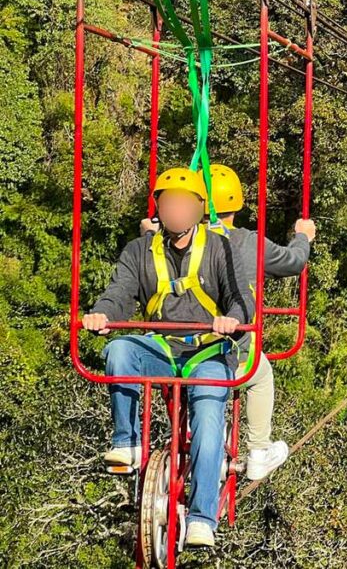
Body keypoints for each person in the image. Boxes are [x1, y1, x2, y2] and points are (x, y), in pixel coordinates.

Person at [83, 168, 251, 549]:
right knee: (120, 350)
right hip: (161, 346)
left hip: (207, 349)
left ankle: (202, 517)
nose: (174, 210)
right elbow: (119, 291)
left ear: (198, 209)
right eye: (168, 203)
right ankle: (128, 442)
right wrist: (103, 313)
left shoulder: (221, 248)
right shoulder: (139, 250)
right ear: (158, 207)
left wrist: (234, 320)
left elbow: (243, 299)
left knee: (208, 421)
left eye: (182, 204)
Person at [141, 163, 315, 481]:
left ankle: (185, 429)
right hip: (225, 354)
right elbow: (294, 262)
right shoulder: (247, 243)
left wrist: (148, 232)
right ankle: (259, 450)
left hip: (169, 350)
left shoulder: (166, 241)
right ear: (235, 205)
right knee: (260, 375)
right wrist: (302, 237)